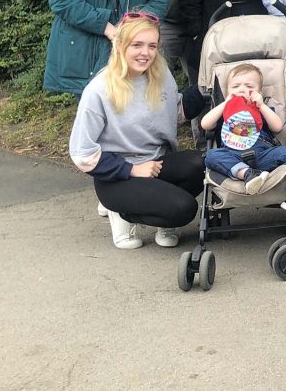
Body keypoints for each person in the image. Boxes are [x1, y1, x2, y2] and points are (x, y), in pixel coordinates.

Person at [69, 14, 204, 249]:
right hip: (116, 177)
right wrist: (131, 169)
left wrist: (206, 89)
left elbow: (176, 113)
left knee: (202, 165)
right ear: (120, 45)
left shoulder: (161, 78)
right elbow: (82, 153)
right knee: (185, 209)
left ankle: (163, 215)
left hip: (156, 163)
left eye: (152, 46)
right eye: (137, 45)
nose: (146, 53)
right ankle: (121, 213)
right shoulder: (99, 90)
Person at [198, 63, 286, 219]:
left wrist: (262, 105)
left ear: (259, 91)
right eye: (235, 86)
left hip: (263, 155)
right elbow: (205, 124)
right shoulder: (225, 111)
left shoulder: (261, 108)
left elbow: (278, 127)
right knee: (211, 156)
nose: (242, 89)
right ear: (228, 91)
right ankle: (248, 174)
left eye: (249, 86)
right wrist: (225, 103)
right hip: (233, 157)